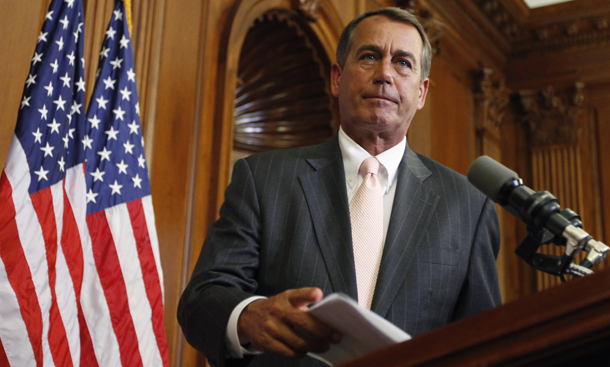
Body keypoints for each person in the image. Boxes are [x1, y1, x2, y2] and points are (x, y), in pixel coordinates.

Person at [178, 7, 501, 367]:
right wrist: (249, 316)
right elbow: (202, 301)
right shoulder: (263, 179)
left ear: (422, 93)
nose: (384, 74)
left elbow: (483, 344)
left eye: (403, 63)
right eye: (369, 56)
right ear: (336, 78)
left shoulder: (468, 207)